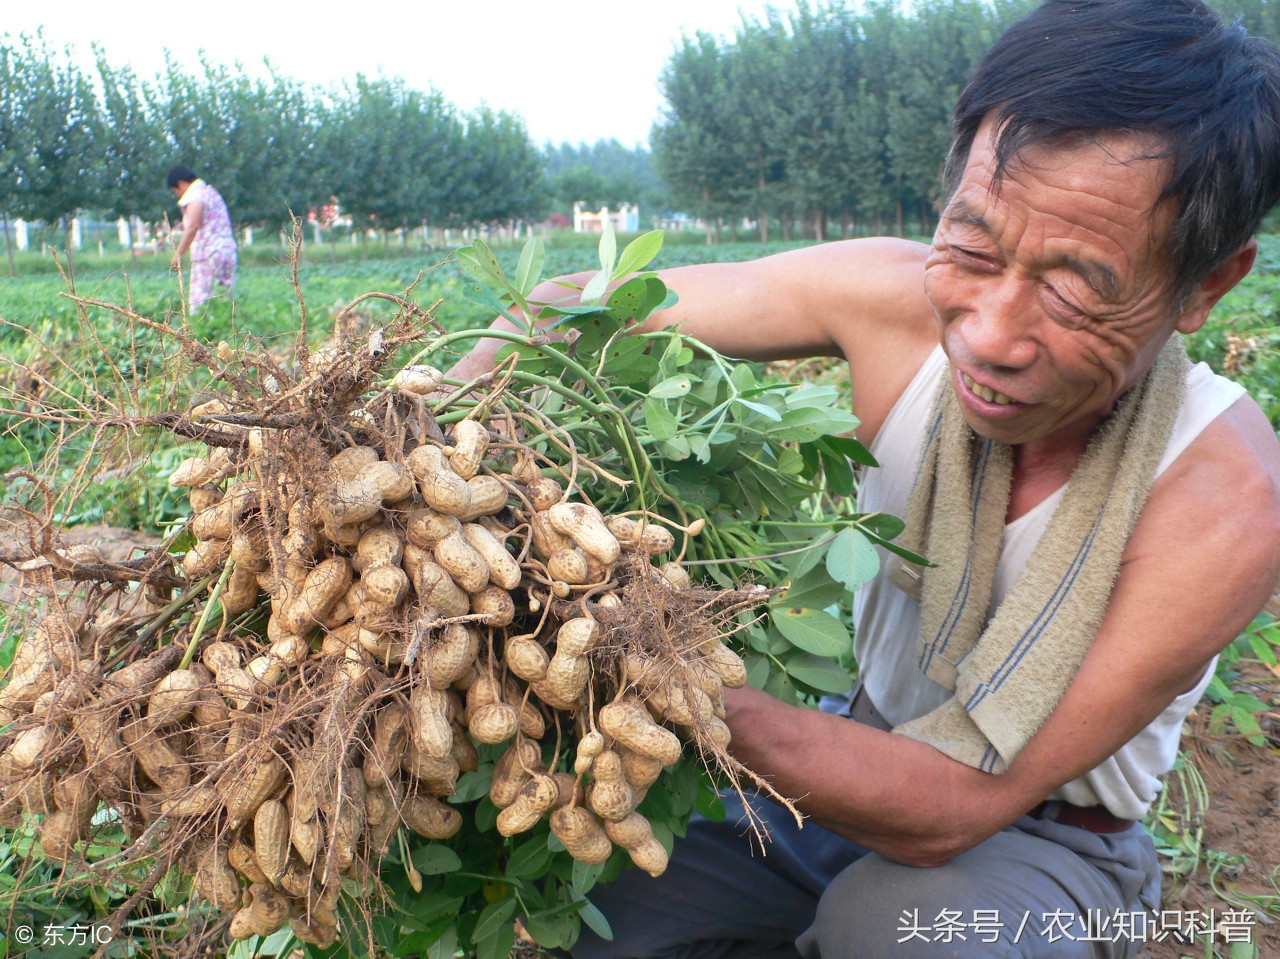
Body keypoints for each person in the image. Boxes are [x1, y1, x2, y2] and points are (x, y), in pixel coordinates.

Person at [453, 1, 1280, 955]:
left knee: (901, 929)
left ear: (1208, 285)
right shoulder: (887, 304)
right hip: (839, 772)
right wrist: (404, 439)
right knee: (602, 898)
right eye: (973, 247)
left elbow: (956, 804)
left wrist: (662, 662)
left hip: (1047, 843)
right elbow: (572, 310)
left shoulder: (1222, 498)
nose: (991, 334)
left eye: (1075, 286)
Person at [166, 163, 237, 311]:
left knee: (200, 304)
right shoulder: (210, 192)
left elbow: (192, 226)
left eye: (176, 191)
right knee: (224, 302)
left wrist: (178, 254)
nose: (178, 195)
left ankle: (199, 334)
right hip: (227, 252)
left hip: (209, 254)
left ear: (181, 184)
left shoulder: (195, 195)